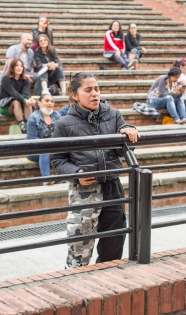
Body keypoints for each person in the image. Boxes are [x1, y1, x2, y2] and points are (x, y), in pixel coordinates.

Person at [50, 72, 140, 268]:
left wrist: (128, 131)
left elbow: (122, 149)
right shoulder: (64, 123)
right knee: (79, 251)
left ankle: (106, 286)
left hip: (113, 187)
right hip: (84, 191)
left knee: (113, 245)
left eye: (97, 89)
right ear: (74, 95)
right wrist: (76, 174)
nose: (95, 94)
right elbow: (57, 160)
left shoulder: (114, 115)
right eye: (88, 90)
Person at [26, 93, 61, 182]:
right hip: (33, 151)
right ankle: (47, 180)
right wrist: (49, 145)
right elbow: (32, 139)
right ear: (39, 103)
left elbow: (61, 135)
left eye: (52, 101)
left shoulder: (57, 116)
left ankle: (61, 177)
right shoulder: (33, 117)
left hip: (53, 150)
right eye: (47, 101)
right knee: (45, 149)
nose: (50, 103)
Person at [0, 58, 36, 133]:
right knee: (16, 101)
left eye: (21, 66)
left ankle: (29, 124)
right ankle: (22, 125)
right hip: (4, 105)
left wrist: (30, 100)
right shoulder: (5, 79)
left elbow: (26, 94)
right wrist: (25, 100)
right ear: (12, 67)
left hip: (19, 104)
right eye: (17, 65)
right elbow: (14, 93)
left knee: (26, 102)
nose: (19, 67)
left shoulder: (25, 80)